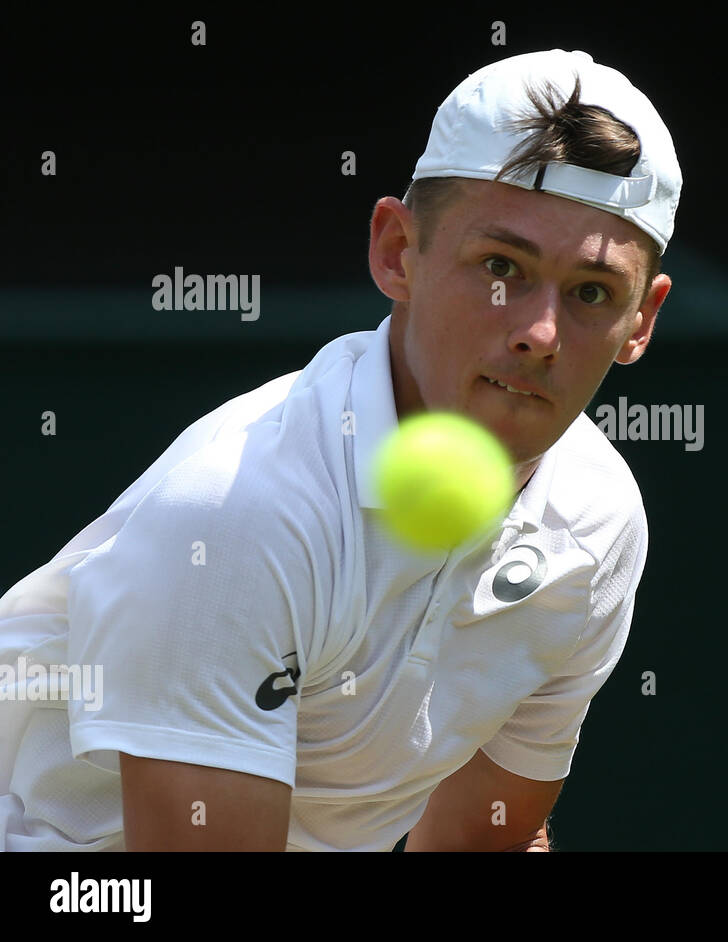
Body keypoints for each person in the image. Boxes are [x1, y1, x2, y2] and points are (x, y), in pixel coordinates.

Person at [0, 48, 681, 851]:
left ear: (642, 322)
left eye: (591, 293)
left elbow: (476, 837)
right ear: (398, 252)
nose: (538, 333)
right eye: (501, 267)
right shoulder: (235, 516)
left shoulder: (597, 524)